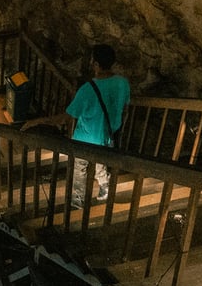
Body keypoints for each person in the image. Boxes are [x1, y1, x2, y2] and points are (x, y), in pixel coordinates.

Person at [22, 43, 131, 208]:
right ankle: (105, 188)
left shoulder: (87, 90)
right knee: (101, 160)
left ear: (96, 64)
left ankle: (78, 200)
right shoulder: (122, 83)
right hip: (108, 136)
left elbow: (65, 117)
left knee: (79, 168)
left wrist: (36, 121)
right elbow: (125, 108)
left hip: (85, 139)